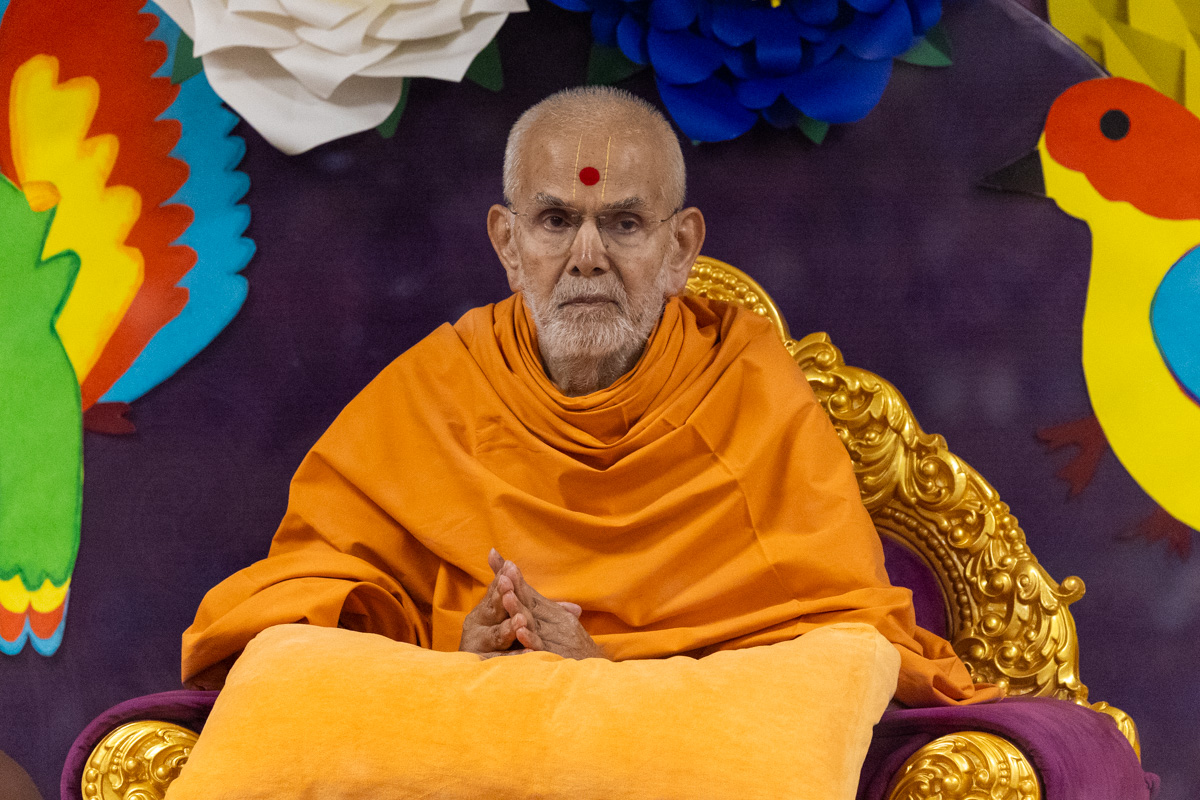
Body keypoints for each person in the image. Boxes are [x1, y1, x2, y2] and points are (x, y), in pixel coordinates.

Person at [181, 86, 999, 708]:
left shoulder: (747, 389)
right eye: (554, 220)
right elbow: (303, 615)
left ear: (680, 248)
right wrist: (453, 656)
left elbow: (843, 654)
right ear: (507, 243)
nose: (587, 257)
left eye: (625, 224)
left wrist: (608, 673)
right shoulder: (436, 390)